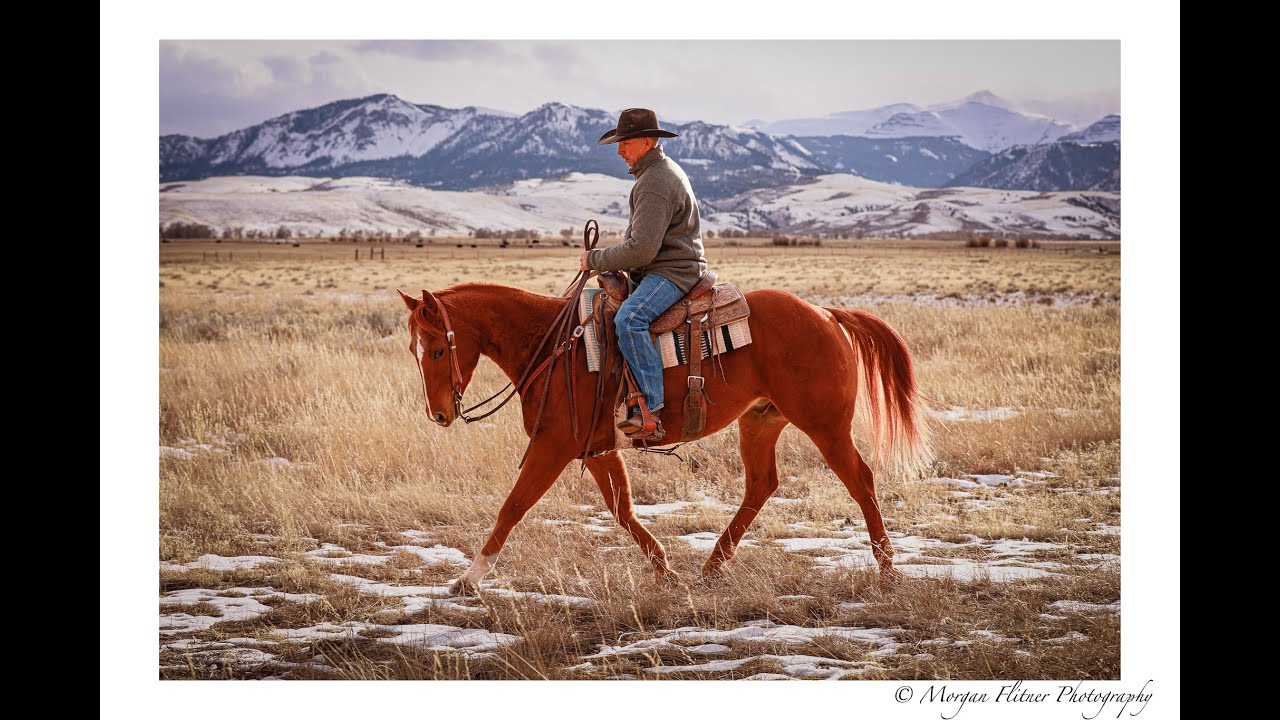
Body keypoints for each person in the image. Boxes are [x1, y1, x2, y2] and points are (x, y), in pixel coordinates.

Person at [579, 108, 708, 441]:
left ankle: (651, 410)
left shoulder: (654, 182)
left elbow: (642, 251)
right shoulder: (655, 173)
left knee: (629, 320)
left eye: (625, 143)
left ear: (647, 142)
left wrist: (595, 259)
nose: (620, 151)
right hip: (668, 266)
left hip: (673, 272)